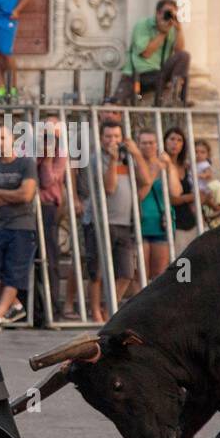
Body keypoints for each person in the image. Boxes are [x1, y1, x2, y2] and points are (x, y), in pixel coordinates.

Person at [0, 124, 38, 327]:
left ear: (13, 140)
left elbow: (26, 195)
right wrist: (13, 196)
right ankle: (15, 306)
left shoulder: (26, 164)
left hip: (22, 226)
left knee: (15, 272)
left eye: (3, 138)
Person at [85, 119, 136, 324]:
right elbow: (109, 188)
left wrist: (137, 154)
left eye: (116, 136)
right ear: (101, 137)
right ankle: (96, 311)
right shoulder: (97, 158)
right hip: (99, 221)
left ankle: (109, 308)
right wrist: (114, 161)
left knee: (126, 272)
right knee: (96, 271)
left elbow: (145, 179)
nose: (112, 140)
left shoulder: (128, 158)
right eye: (108, 136)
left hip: (123, 221)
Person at [128, 130, 182, 283]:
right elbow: (140, 195)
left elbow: (176, 192)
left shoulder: (165, 165)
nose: (148, 146)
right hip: (141, 224)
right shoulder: (134, 164)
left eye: (151, 142)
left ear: (158, 144)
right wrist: (153, 171)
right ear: (138, 145)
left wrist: (170, 166)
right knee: (140, 273)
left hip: (162, 224)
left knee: (159, 273)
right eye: (144, 143)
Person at [116, 0, 191, 106]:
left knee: (184, 56)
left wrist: (179, 29)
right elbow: (146, 53)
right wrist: (162, 33)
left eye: (171, 14)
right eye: (166, 13)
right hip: (138, 74)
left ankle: (175, 94)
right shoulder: (143, 25)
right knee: (114, 105)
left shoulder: (171, 28)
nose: (168, 17)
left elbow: (179, 51)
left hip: (159, 74)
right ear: (157, 13)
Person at [36, 114, 69, 323]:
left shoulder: (60, 153)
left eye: (54, 131)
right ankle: (36, 309)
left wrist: (47, 158)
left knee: (50, 258)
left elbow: (48, 182)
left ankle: (52, 308)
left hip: (48, 208)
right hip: (29, 207)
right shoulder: (31, 150)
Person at [164, 127, 198, 251]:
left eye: (179, 140)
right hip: (170, 222)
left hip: (189, 221)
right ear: (165, 141)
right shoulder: (161, 165)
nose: (175, 143)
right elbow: (171, 198)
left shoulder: (187, 166)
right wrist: (191, 197)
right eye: (172, 139)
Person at [193, 139, 220, 229]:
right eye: (195, 152)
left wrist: (208, 202)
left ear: (208, 154)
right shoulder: (191, 167)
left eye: (202, 152)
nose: (198, 155)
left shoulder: (217, 186)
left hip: (213, 226)